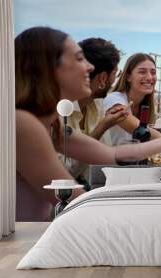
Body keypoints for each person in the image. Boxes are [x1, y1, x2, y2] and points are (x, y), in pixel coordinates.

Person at [15, 27, 161, 222]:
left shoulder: (52, 124)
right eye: (80, 58)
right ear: (48, 68)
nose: (89, 67)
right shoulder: (24, 124)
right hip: (18, 248)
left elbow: (112, 155)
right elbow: (73, 199)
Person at [67, 38, 127, 186]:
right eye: (115, 73)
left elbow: (105, 164)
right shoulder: (59, 109)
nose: (115, 80)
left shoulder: (97, 104)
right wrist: (101, 128)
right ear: (103, 78)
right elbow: (64, 173)